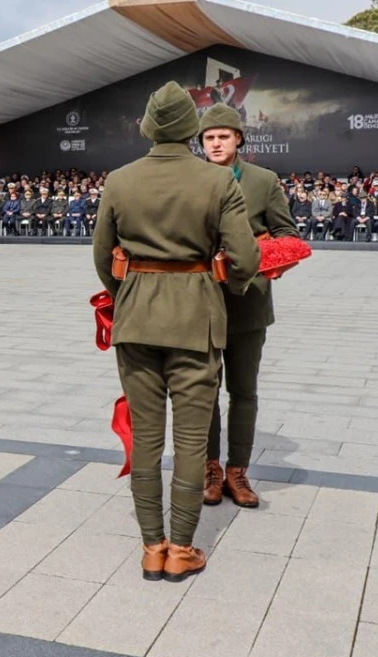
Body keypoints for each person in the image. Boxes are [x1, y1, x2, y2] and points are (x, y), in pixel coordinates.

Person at [92, 82, 259, 582]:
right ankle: (182, 548)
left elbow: (103, 257)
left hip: (137, 318)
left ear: (147, 127)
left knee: (146, 437)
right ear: (193, 129)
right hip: (196, 320)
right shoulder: (217, 182)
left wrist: (130, 290)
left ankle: (151, 546)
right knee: (190, 441)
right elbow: (245, 258)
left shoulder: (119, 180)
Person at [197, 103, 298, 509]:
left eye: (224, 136)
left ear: (239, 138)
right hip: (200, 302)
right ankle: (210, 468)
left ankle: (238, 471)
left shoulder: (263, 181)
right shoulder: (192, 178)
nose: (216, 143)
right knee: (203, 390)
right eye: (209, 137)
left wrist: (252, 259)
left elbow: (287, 236)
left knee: (243, 391)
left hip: (248, 302)